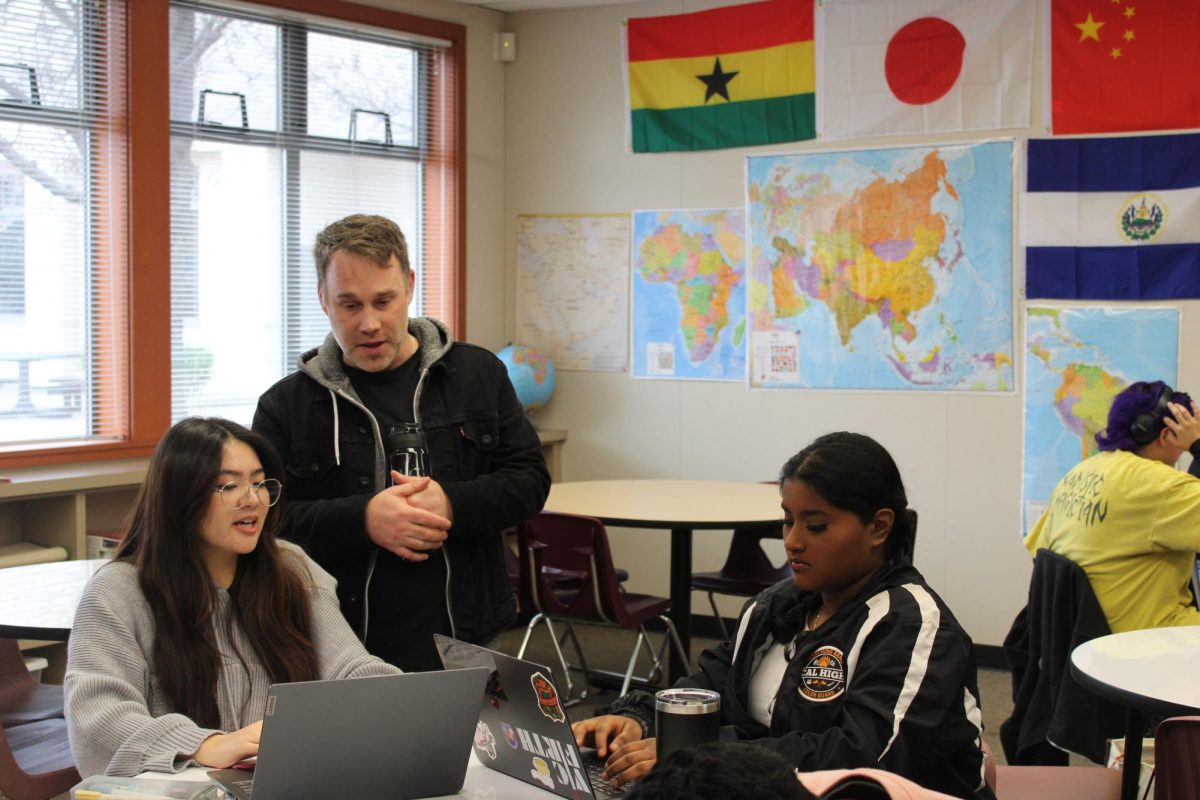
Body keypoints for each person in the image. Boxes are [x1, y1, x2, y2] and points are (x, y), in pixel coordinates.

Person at [573, 432, 993, 800]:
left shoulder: (913, 625)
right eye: (788, 521)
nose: (792, 542)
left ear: (879, 528)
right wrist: (636, 718)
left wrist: (700, 752)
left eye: (815, 526)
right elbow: (707, 688)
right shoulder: (775, 606)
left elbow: (864, 758)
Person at [253, 214, 550, 672]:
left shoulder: (478, 375)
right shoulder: (285, 406)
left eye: (384, 301)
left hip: (468, 635)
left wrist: (451, 502)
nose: (370, 323)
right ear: (322, 300)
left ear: (409, 286)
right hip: (336, 645)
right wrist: (364, 519)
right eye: (349, 305)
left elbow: (529, 480)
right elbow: (267, 518)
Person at [64, 418, 401, 778]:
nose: (251, 499)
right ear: (181, 497)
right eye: (228, 485)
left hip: (284, 782)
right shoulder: (118, 592)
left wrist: (400, 701)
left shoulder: (292, 568)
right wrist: (202, 745)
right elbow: (99, 715)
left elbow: (349, 666)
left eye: (259, 483)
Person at [1024, 380, 1200, 633]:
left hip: (1082, 642)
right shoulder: (1162, 486)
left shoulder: (1080, 472)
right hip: (1145, 637)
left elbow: (1037, 551)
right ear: (1165, 435)